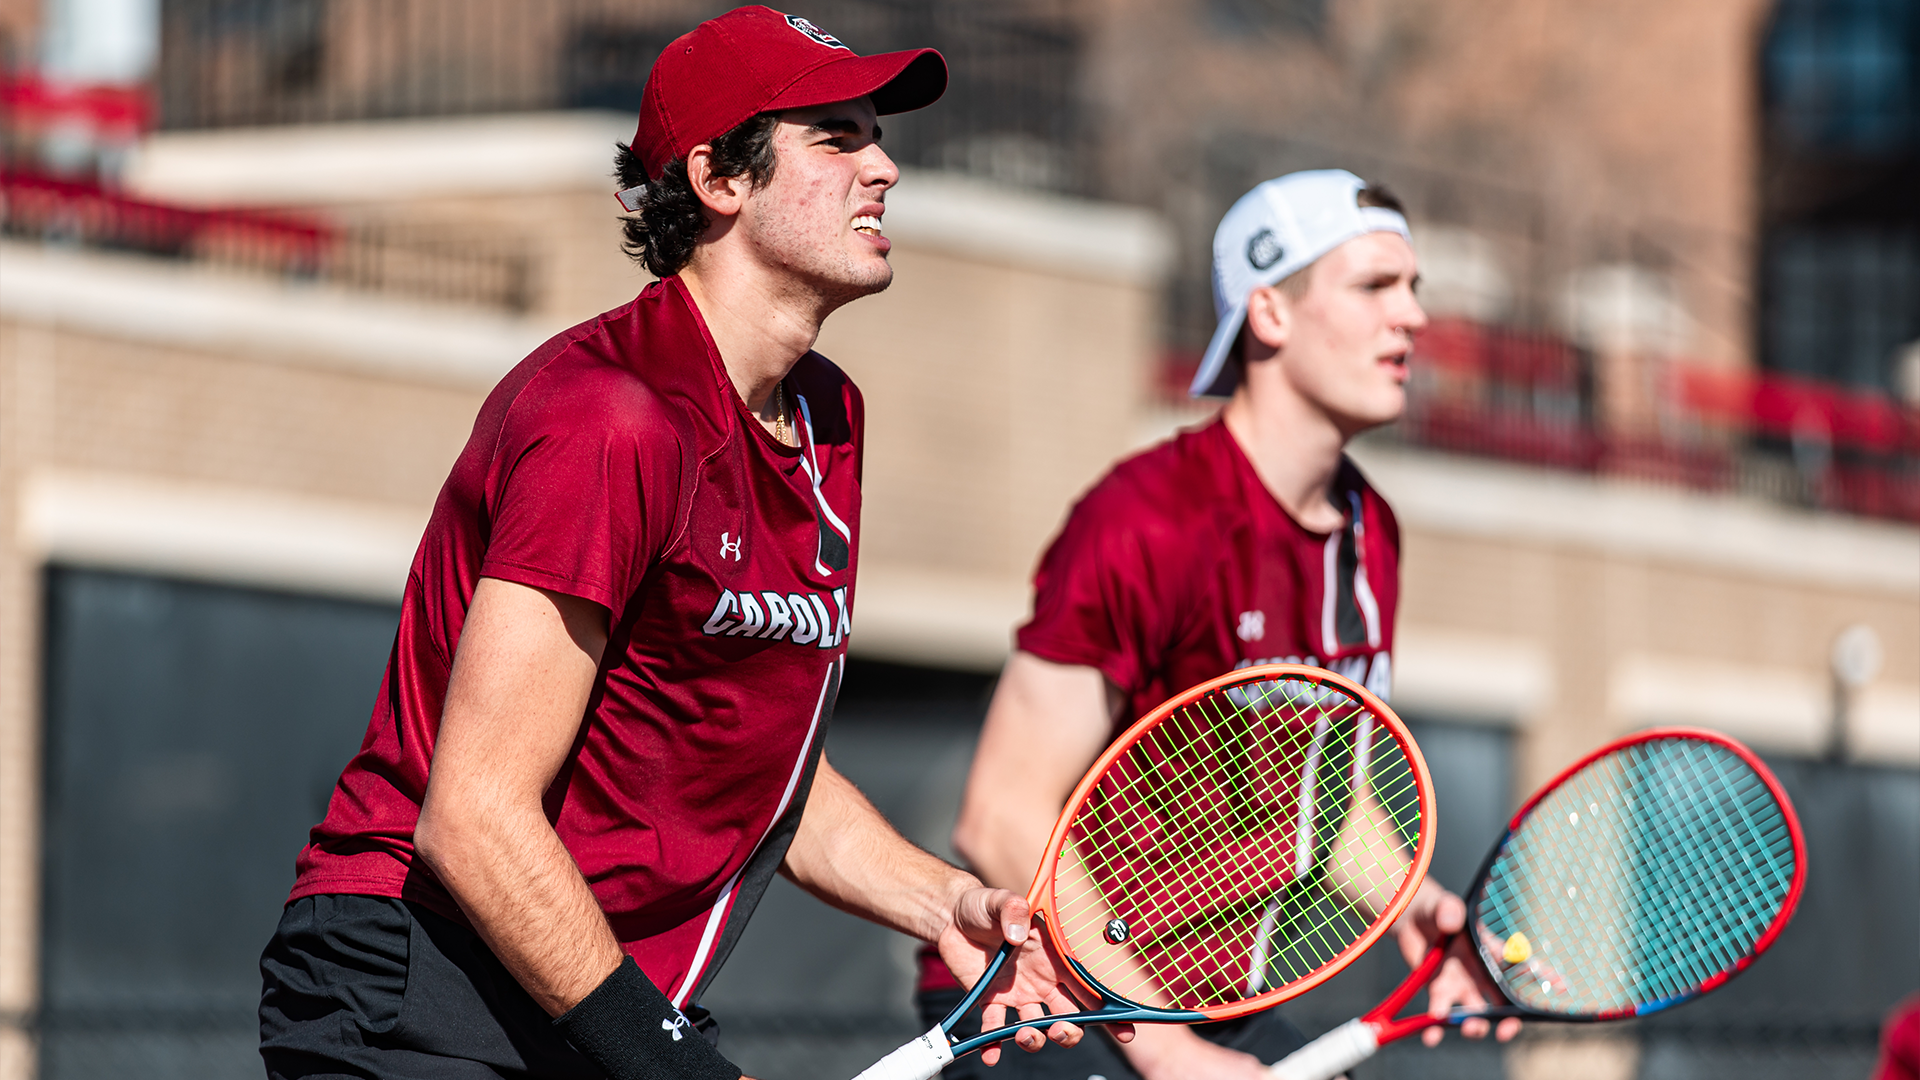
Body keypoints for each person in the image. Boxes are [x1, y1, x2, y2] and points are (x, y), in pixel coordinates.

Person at [258, 8, 1098, 1079]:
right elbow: (472, 817)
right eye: (837, 137)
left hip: (583, 991)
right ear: (718, 179)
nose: (884, 166)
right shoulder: (613, 419)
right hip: (423, 982)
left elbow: (764, 770)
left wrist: (948, 903)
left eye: (876, 135)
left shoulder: (826, 418)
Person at [921, 170, 1522, 1078]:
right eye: (1373, 287)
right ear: (1270, 313)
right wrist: (1171, 1058)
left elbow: (1329, 805)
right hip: (1039, 993)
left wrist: (1419, 909)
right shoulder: (1147, 518)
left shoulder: (1372, 533)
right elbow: (1001, 814)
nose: (1413, 317)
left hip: (1210, 1004)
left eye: (1413, 288)